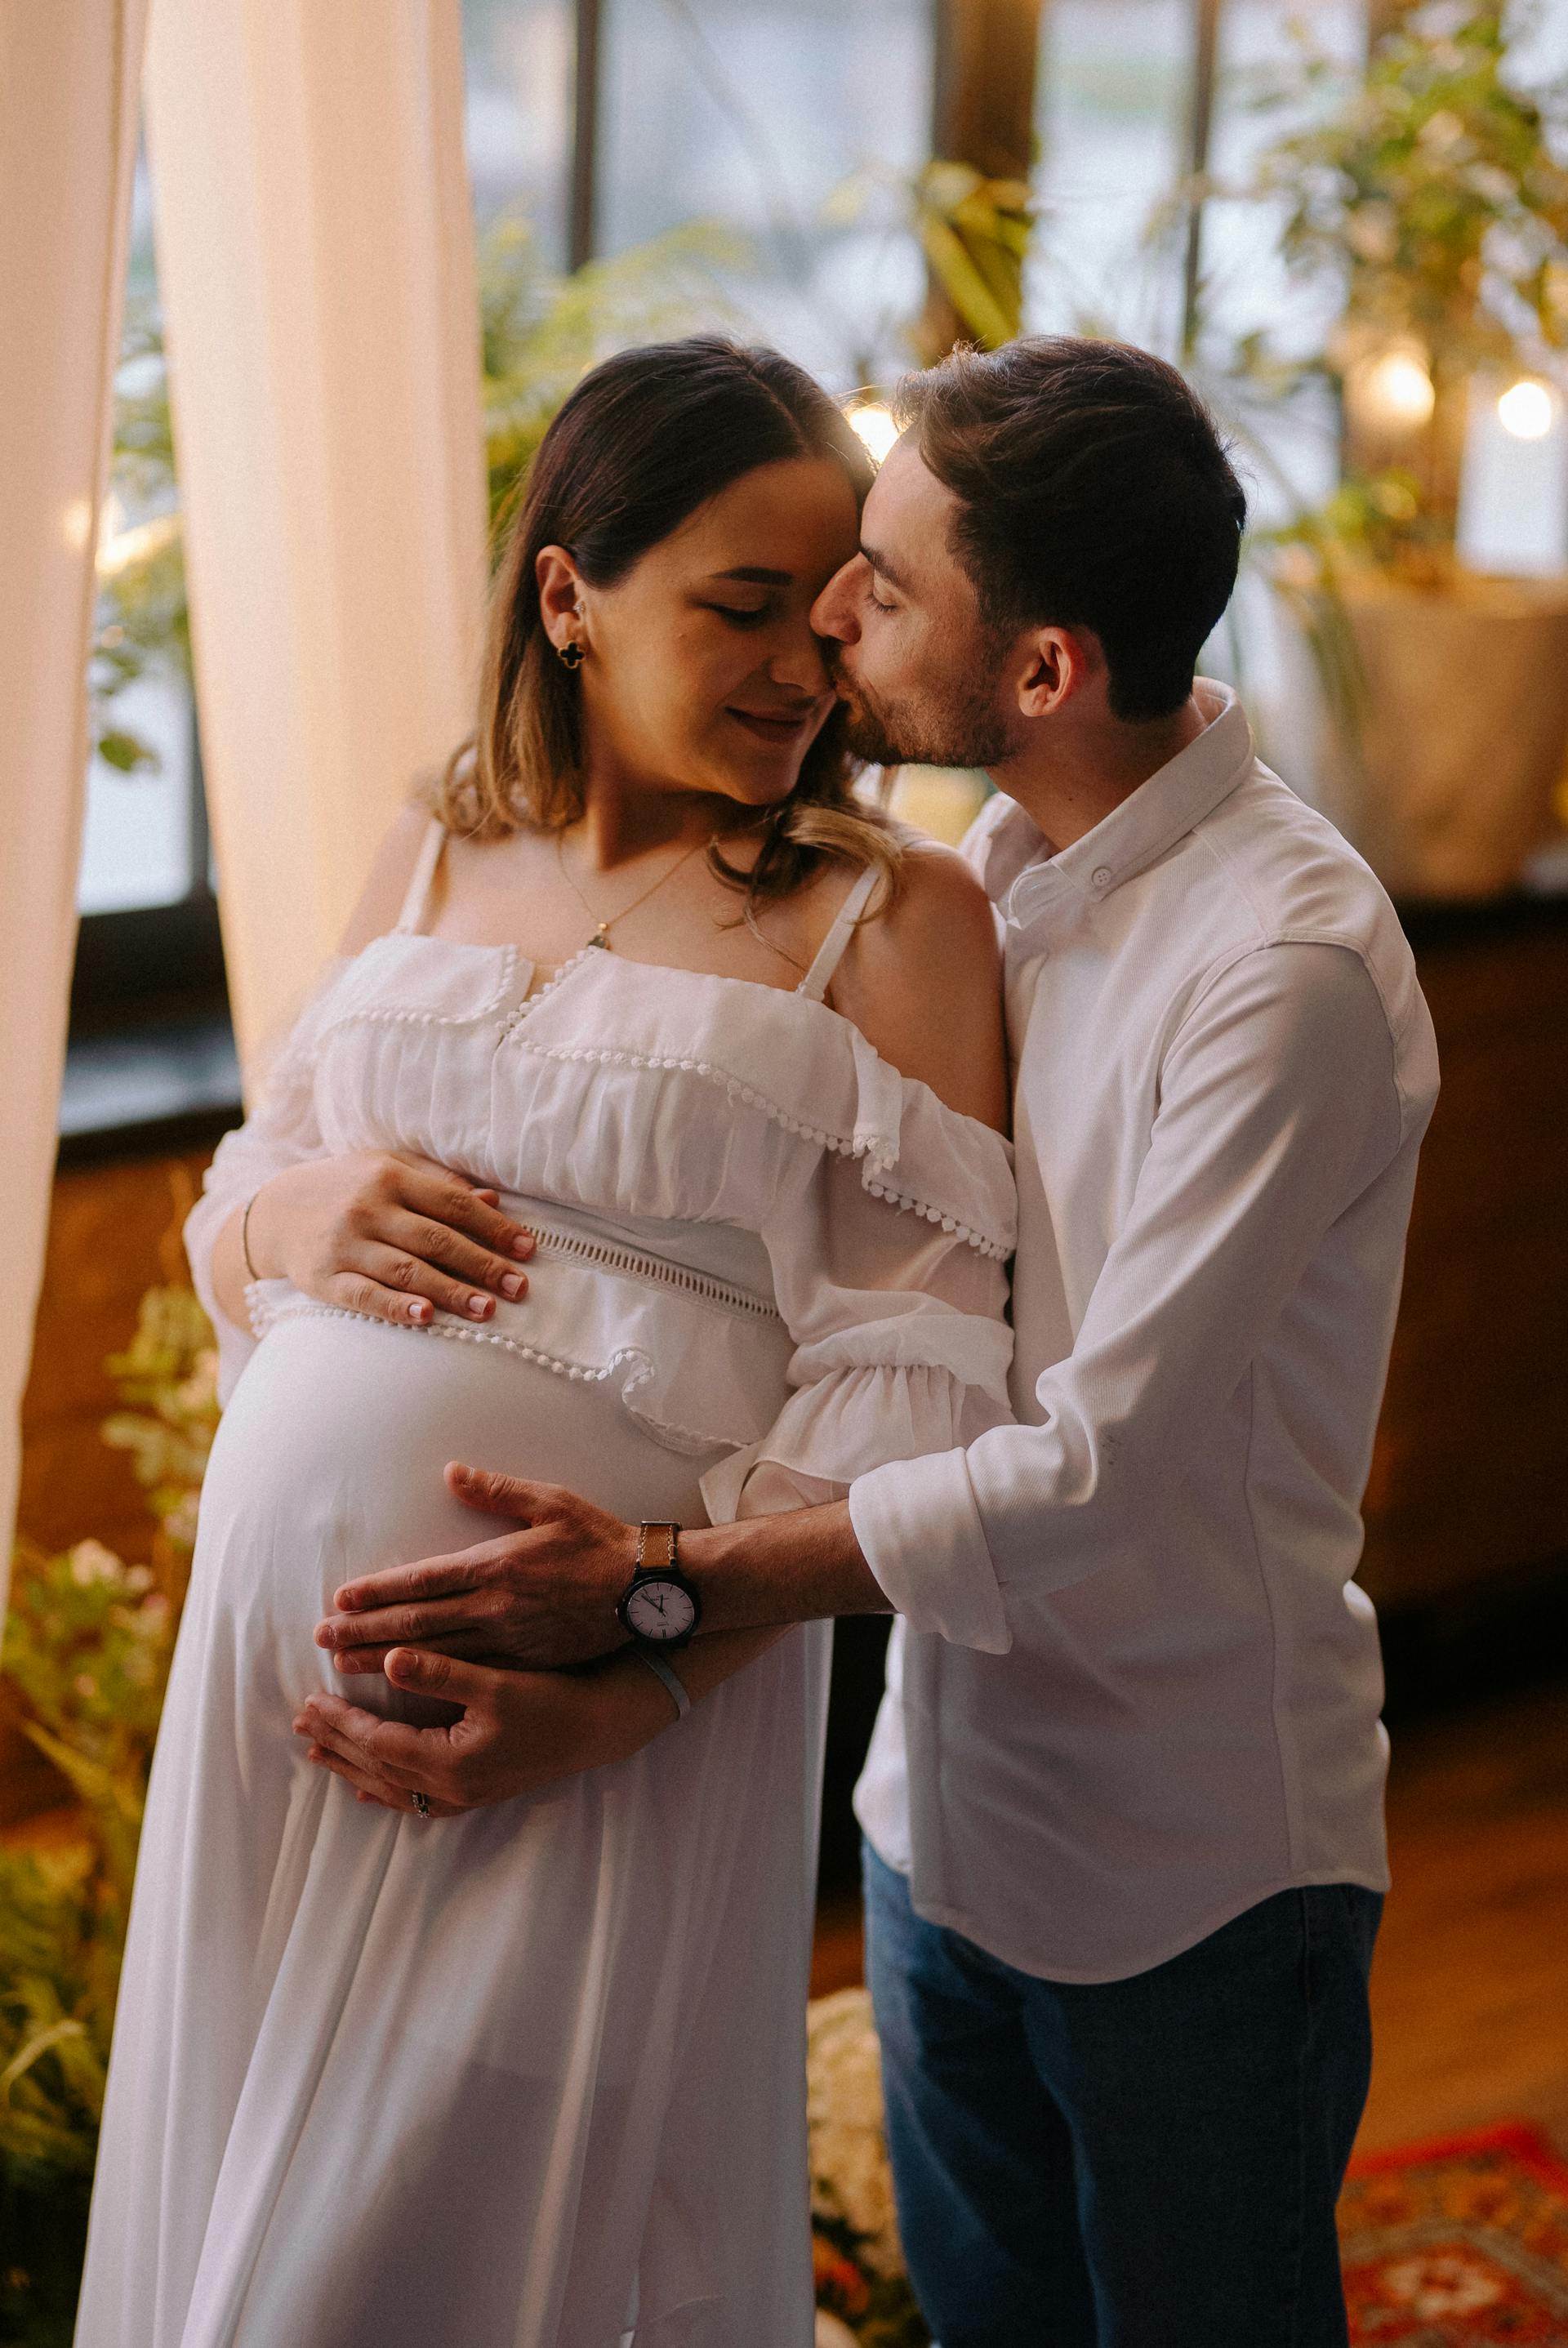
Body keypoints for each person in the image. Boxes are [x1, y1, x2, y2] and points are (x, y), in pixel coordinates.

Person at [304, 338, 1440, 2348]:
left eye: (884, 586)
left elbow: (1091, 1471)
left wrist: (654, 1598)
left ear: (1043, 673)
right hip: (939, 1818)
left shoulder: (1287, 969)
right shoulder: (988, 868)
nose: (832, 619)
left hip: (1196, 1862)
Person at [74, 339, 1018, 2348]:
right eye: (739, 609)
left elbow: (914, 1390)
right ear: (568, 595)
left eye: (828, 611)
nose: (803, 669)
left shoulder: (895, 916)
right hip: (279, 1703)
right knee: (249, 2225)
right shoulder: (436, 839)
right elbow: (255, 1181)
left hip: (589, 1728)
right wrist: (287, 1213)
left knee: (415, 2273)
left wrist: (648, 1686)